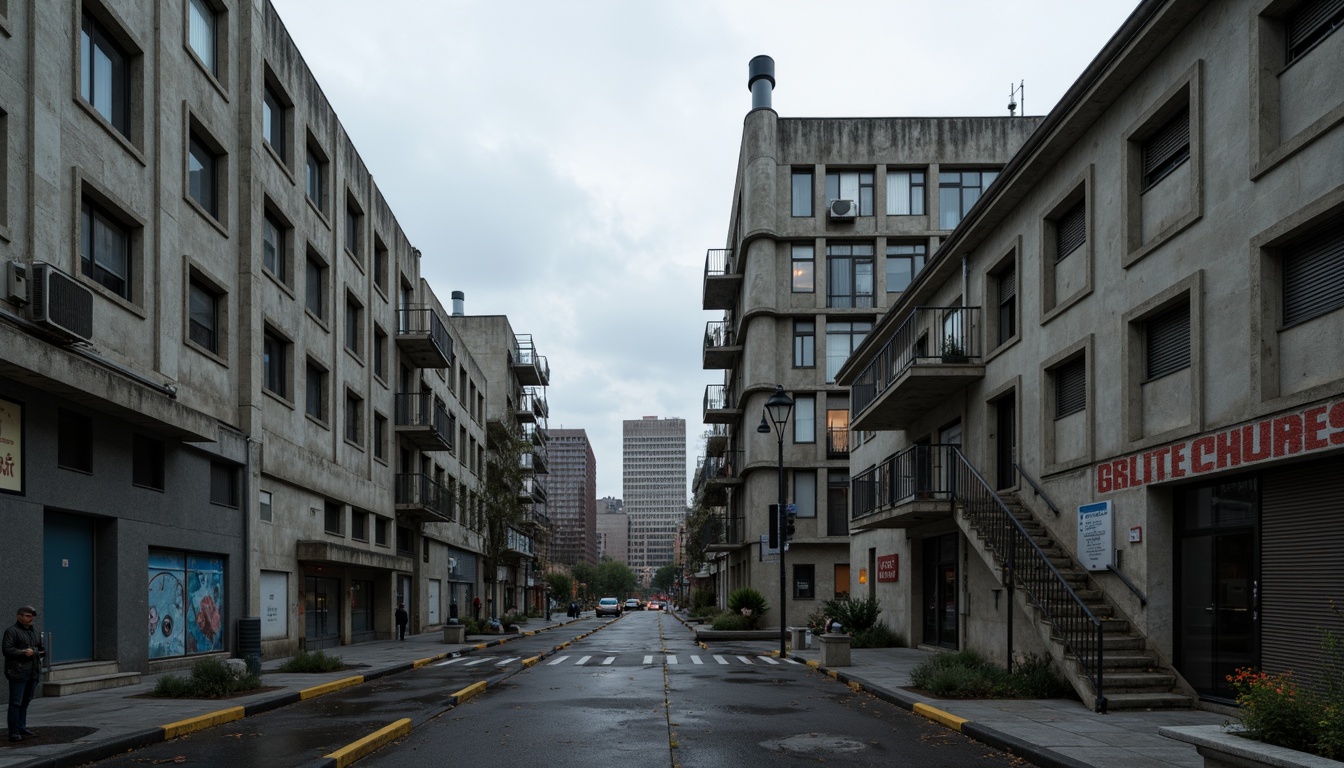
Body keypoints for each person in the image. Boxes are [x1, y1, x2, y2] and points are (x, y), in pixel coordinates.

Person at [3, 605, 42, 742]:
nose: (31, 618)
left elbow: (40, 648)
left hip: (33, 671)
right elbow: (7, 650)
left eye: (32, 616)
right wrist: (24, 652)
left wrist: (37, 653)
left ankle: (21, 726)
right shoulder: (12, 631)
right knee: (16, 702)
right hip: (18, 672)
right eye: (27, 616)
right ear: (18, 616)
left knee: (26, 701)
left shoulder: (34, 631)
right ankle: (14, 732)